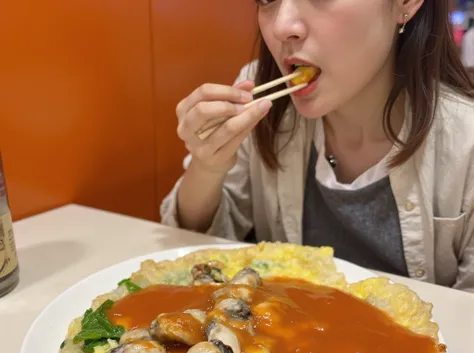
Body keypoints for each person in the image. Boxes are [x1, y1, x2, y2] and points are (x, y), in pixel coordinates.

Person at [161, 0, 474, 292]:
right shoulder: (261, 100)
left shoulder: (465, 143)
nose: (282, 26)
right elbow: (195, 251)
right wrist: (208, 166)